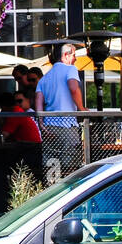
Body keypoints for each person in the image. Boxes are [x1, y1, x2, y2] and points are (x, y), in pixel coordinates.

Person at [35, 42, 87, 176]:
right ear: (66, 55)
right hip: (67, 125)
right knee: (70, 166)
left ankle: (52, 190)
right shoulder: (70, 69)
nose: (75, 59)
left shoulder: (45, 78)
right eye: (74, 55)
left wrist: (42, 125)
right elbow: (73, 88)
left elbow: (38, 101)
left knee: (51, 165)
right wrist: (81, 108)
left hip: (49, 127)